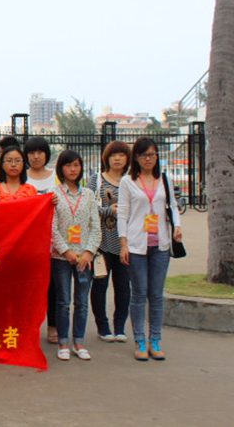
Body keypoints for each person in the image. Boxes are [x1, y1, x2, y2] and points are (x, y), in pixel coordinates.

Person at [118, 137, 182, 361]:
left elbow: (173, 206)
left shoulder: (164, 179)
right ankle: (140, 340)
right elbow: (123, 213)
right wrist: (123, 244)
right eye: (144, 155)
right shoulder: (128, 181)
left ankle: (155, 339)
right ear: (136, 157)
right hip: (137, 245)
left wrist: (177, 227)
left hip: (160, 245)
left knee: (156, 295)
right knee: (139, 293)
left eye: (152, 154)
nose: (148, 159)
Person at [50, 150, 101, 361]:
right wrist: (66, 251)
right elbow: (51, 228)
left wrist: (88, 252)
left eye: (76, 165)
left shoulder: (88, 195)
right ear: (61, 168)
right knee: (63, 301)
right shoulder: (54, 194)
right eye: (68, 165)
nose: (72, 169)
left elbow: (95, 226)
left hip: (84, 258)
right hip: (61, 257)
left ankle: (79, 341)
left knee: (82, 302)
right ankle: (63, 341)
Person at [88, 141, 132, 343]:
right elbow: (88, 207)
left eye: (121, 155)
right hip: (101, 244)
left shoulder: (131, 180)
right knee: (100, 286)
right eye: (113, 155)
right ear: (106, 157)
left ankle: (120, 326)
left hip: (125, 243)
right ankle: (103, 327)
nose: (117, 158)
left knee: (123, 287)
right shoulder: (96, 180)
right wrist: (109, 210)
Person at [24, 136, 58, 344]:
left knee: (53, 287)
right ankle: (29, 328)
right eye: (31, 153)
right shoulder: (23, 177)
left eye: (40, 152)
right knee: (28, 288)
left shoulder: (56, 176)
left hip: (54, 240)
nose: (36, 156)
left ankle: (53, 326)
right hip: (29, 241)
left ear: (46, 154)